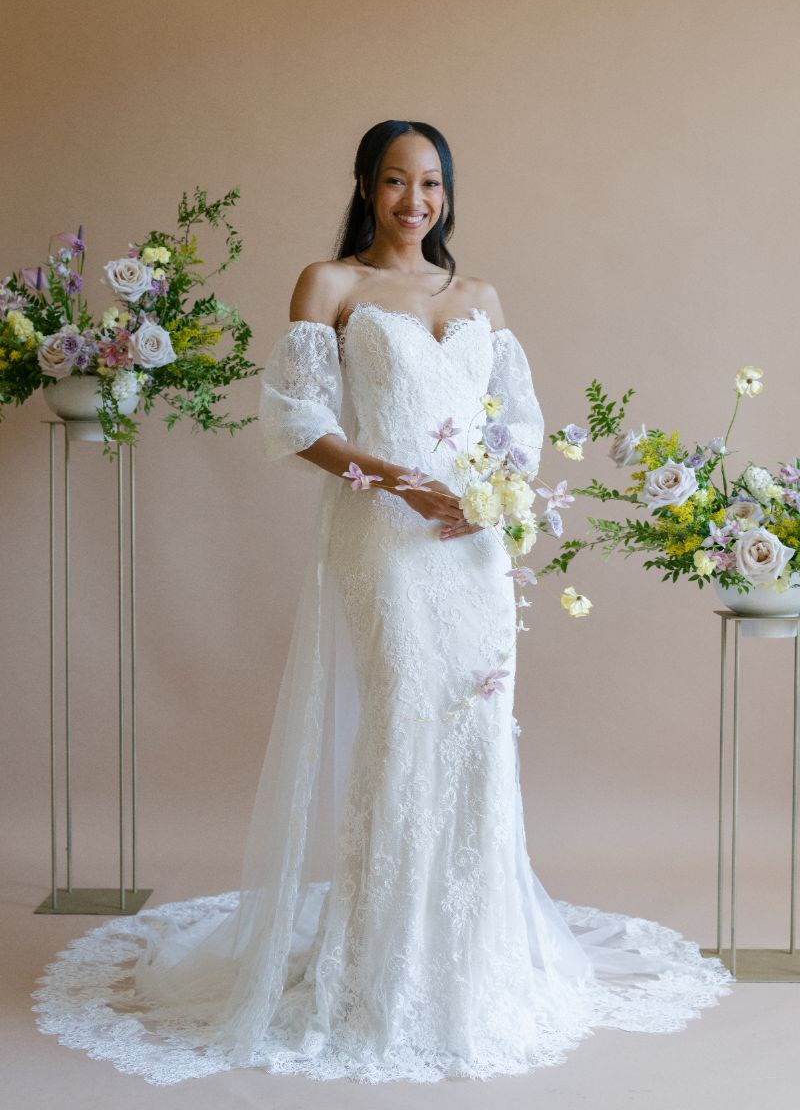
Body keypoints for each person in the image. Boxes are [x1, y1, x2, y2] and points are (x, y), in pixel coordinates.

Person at [32, 120, 733, 1085]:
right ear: (366, 187)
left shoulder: (480, 296)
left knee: (477, 740)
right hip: (387, 544)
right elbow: (296, 417)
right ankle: (377, 969)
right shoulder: (333, 285)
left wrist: (494, 489)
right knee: (401, 728)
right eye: (397, 181)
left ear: (448, 193)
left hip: (470, 549)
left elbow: (518, 420)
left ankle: (470, 964)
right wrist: (403, 481)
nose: (416, 201)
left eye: (432, 183)